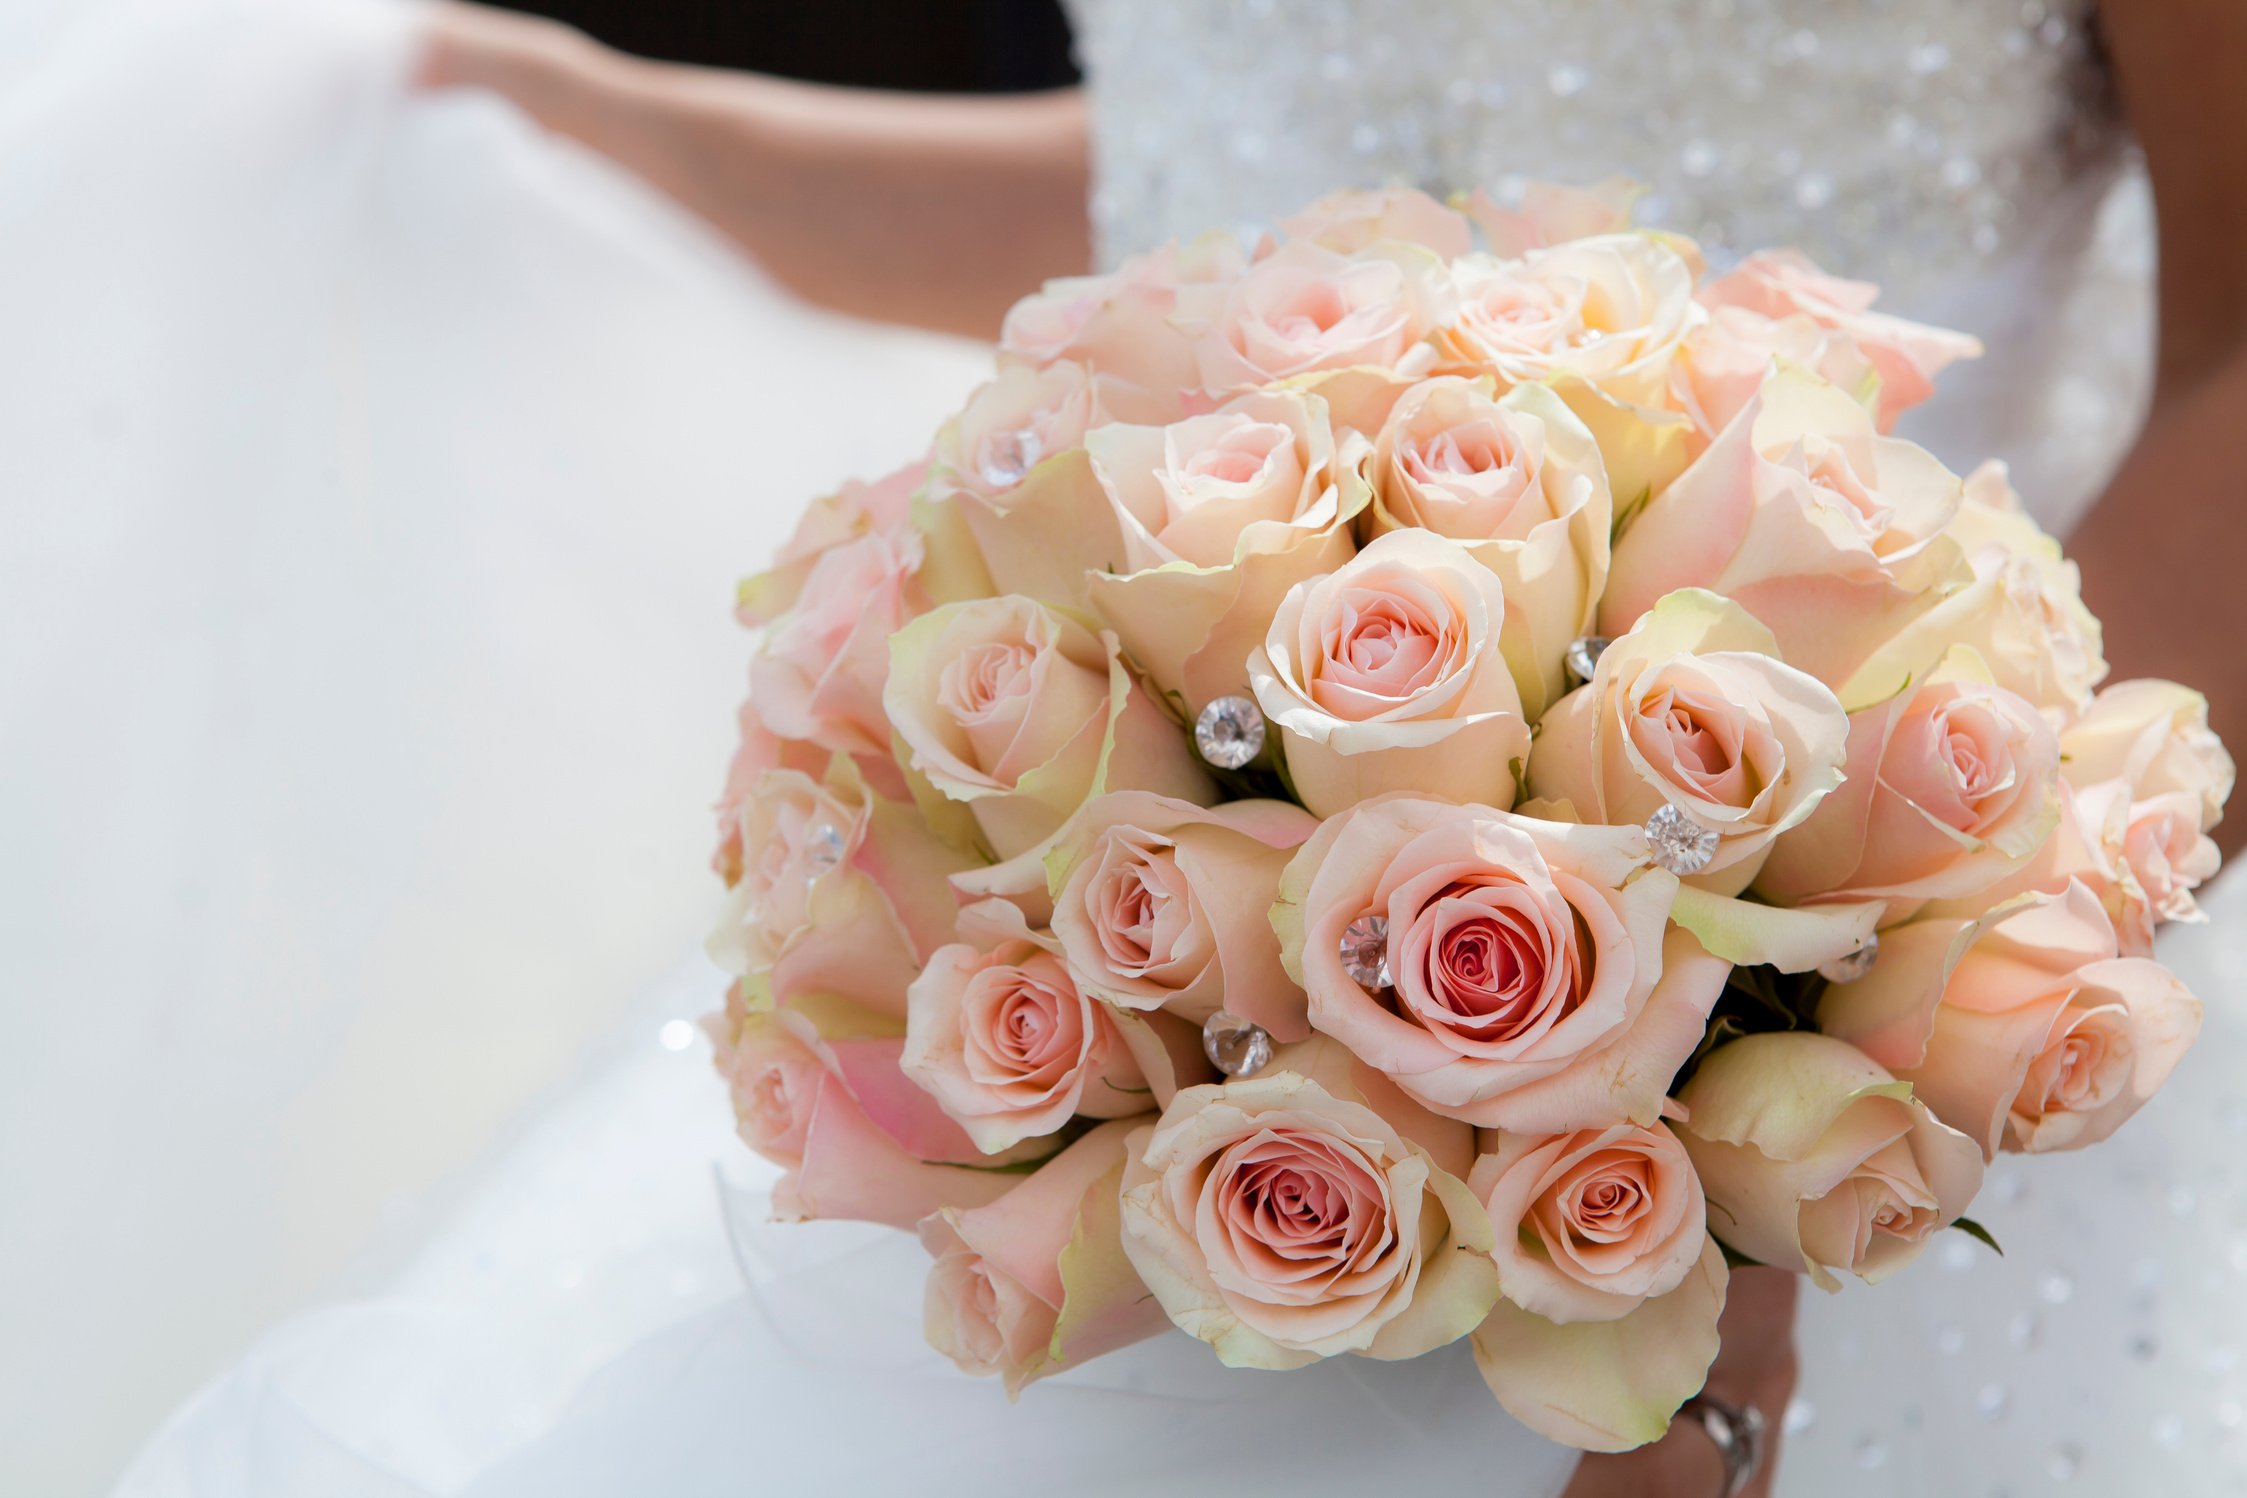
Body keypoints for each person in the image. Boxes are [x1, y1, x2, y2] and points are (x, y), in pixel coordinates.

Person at [114, 3, 2247, 1496]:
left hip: (1898, 928)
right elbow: (1202, 167)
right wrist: (614, 122)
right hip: (1174, 991)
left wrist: (1813, 1113)